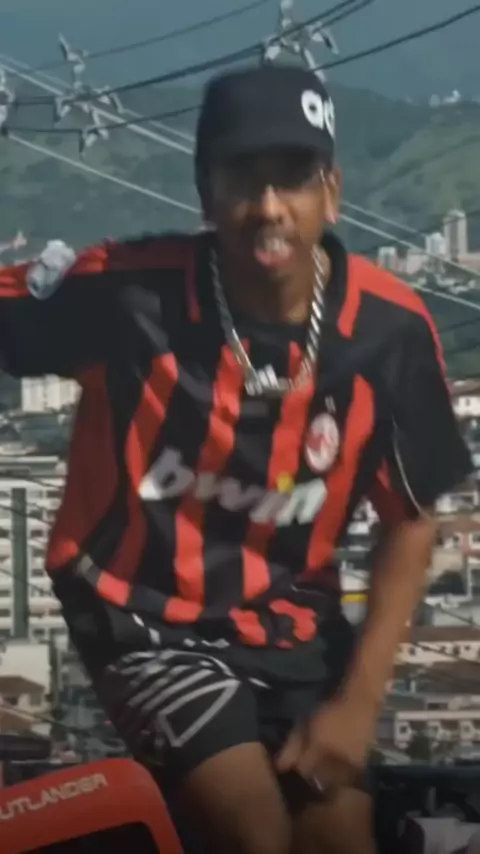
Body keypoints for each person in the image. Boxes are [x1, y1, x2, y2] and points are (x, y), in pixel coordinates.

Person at [0, 64, 472, 854]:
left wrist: (358, 705)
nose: (269, 207)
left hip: (298, 626)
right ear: (205, 196)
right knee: (253, 831)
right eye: (243, 179)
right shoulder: (127, 295)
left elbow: (412, 521)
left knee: (338, 841)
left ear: (332, 192)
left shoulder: (389, 334)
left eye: (294, 179)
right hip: (141, 613)